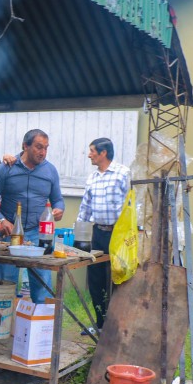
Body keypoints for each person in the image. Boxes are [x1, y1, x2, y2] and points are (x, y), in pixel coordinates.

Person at [0, 129, 64, 303]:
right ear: (25, 146)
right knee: (6, 284)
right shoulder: (6, 168)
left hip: (39, 234)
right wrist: (1, 220)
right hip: (10, 234)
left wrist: (59, 209)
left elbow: (58, 199)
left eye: (46, 148)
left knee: (42, 283)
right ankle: (5, 325)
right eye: (38, 147)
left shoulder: (50, 170)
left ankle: (41, 326)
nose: (43, 152)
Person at [77, 137, 130, 331]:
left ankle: (117, 326)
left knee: (119, 279)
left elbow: (132, 204)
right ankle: (100, 324)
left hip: (118, 234)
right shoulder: (92, 177)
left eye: (92, 151)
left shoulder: (123, 173)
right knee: (95, 278)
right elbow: (85, 207)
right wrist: (79, 234)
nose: (89, 154)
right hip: (98, 233)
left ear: (103, 153)